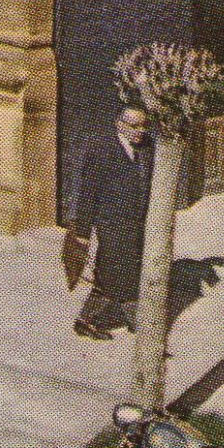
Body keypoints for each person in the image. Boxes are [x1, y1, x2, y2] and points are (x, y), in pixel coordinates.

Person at [68, 107, 156, 341]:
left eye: (143, 125)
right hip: (110, 222)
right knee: (112, 274)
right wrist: (83, 232)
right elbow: (88, 192)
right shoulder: (102, 150)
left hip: (136, 222)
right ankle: (91, 320)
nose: (140, 131)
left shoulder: (147, 147)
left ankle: (133, 324)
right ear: (119, 124)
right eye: (134, 125)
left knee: (128, 271)